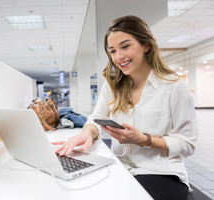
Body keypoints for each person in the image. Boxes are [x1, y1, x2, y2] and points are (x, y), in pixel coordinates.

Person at [52, 15, 198, 200]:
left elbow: (187, 145)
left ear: (146, 45)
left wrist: (143, 140)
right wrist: (86, 134)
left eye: (125, 46)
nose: (118, 57)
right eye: (112, 51)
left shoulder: (174, 86)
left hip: (162, 173)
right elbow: (95, 118)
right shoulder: (112, 85)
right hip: (120, 167)